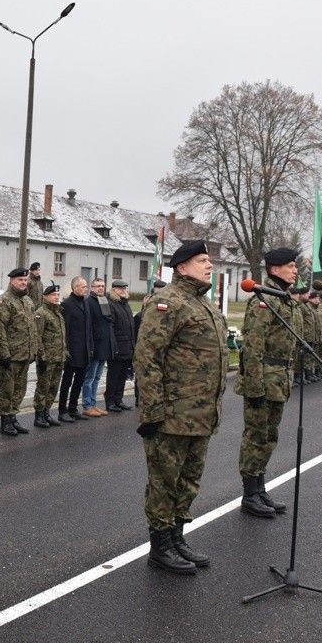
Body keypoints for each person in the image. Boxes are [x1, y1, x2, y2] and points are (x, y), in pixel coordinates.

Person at [134, 240, 228, 575]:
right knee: (164, 481)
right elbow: (147, 358)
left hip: (201, 414)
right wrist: (152, 411)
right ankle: (160, 546)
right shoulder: (167, 302)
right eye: (202, 260)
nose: (209, 265)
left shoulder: (205, 305)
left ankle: (176, 537)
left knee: (188, 481)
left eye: (209, 260)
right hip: (172, 414)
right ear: (182, 267)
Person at [233, 247, 301, 518]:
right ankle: (249, 494)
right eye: (291, 265)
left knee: (270, 437)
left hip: (279, 380)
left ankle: (259, 488)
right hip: (263, 380)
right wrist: (254, 386)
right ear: (274, 269)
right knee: (256, 437)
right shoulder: (263, 301)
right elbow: (252, 348)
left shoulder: (283, 298)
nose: (295, 270)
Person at [0, 267, 40, 436]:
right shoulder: (4, 301)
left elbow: (32, 328)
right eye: (20, 280)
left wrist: (32, 350)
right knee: (7, 389)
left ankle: (13, 417)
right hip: (10, 356)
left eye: (25, 280)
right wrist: (4, 353)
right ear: (12, 281)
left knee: (19, 389)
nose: (23, 283)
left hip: (24, 355)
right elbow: (0, 329)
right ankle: (5, 421)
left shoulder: (27, 301)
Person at [58, 277, 91, 423]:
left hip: (84, 350)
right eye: (83, 287)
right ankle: (62, 410)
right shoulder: (67, 305)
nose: (86, 289)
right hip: (72, 351)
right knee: (67, 382)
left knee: (79, 381)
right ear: (75, 287)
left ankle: (73, 408)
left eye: (86, 286)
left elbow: (88, 327)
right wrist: (66, 350)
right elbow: (65, 330)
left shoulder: (85, 302)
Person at [33, 284, 66, 428]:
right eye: (53, 295)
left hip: (58, 357)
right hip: (47, 358)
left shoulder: (57, 312)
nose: (56, 297)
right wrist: (42, 356)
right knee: (43, 387)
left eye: (58, 295)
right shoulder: (41, 313)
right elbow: (37, 337)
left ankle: (47, 412)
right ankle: (39, 415)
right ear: (45, 297)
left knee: (53, 387)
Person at [81, 278, 112, 417]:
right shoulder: (88, 302)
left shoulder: (104, 301)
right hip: (94, 347)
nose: (100, 288)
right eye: (98, 286)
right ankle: (87, 405)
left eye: (103, 286)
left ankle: (93, 403)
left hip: (104, 346)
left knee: (98, 377)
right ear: (92, 288)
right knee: (89, 378)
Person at [104, 279, 134, 412]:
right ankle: (110, 401)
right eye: (120, 288)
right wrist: (114, 347)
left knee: (122, 376)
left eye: (125, 288)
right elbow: (111, 328)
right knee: (113, 376)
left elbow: (130, 326)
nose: (123, 290)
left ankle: (118, 399)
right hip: (117, 347)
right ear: (114, 289)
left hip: (127, 346)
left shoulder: (125, 304)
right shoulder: (111, 304)